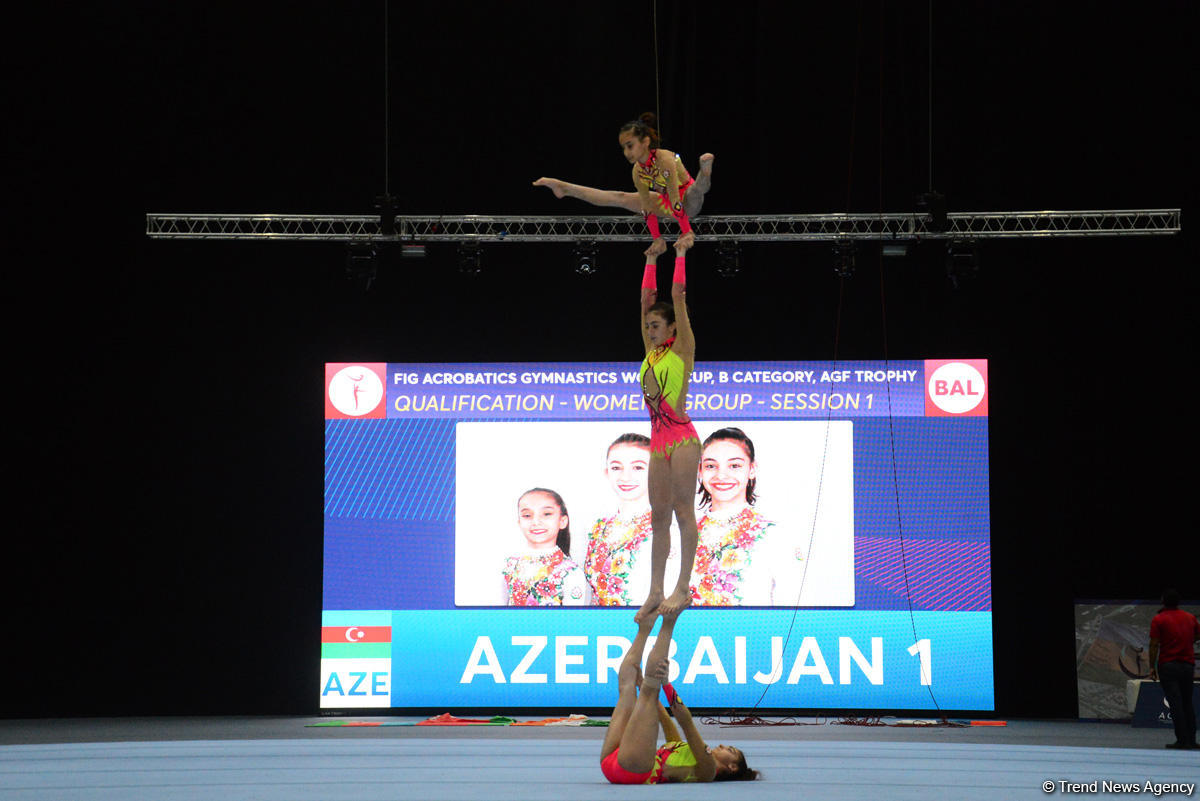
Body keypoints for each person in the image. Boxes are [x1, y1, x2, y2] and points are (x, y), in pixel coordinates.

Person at [599, 606, 758, 783]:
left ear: (732, 767)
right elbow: (667, 722)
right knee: (628, 687)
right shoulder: (683, 750)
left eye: (730, 750)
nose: (722, 745)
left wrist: (665, 684)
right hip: (610, 764)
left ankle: (669, 621)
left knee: (650, 688)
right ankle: (644, 629)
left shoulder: (707, 770)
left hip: (634, 771)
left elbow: (686, 723)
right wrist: (643, 684)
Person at [533, 112, 714, 256]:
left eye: (630, 145)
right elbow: (646, 207)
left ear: (645, 142)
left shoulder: (665, 159)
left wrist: (687, 232)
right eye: (623, 148)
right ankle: (566, 188)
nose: (626, 152)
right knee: (620, 197)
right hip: (665, 202)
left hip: (686, 201)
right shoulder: (637, 171)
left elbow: (675, 198)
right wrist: (657, 238)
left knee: (696, 191)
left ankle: (704, 172)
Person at [635, 239, 700, 622]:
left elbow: (677, 295)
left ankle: (683, 586)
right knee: (658, 516)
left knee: (682, 510)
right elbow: (645, 301)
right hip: (658, 441)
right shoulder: (652, 351)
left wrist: (679, 254)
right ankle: (656, 590)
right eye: (648, 327)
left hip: (682, 439)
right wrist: (649, 259)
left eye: (656, 326)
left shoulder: (682, 348)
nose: (650, 330)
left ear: (672, 327)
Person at [692, 427, 804, 606]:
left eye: (734, 466)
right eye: (711, 466)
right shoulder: (679, 536)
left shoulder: (776, 536)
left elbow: (794, 611)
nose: (721, 475)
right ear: (700, 471)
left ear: (752, 469)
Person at [584, 433, 679, 606]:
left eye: (638, 467)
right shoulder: (600, 528)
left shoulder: (669, 530)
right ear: (607, 472)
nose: (625, 477)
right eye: (616, 468)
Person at [502, 488, 589, 606]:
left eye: (546, 514)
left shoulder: (570, 573)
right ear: (519, 522)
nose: (536, 522)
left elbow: (572, 617)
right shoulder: (510, 566)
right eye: (527, 515)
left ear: (562, 521)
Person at [1148, 588, 1199, 749]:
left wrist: (1152, 667)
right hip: (1187, 665)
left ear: (1162, 601)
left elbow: (1154, 644)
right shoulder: (1190, 617)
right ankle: (1192, 740)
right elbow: (1198, 635)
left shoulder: (1159, 619)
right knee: (1187, 703)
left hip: (1168, 665)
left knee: (1176, 704)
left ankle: (1182, 740)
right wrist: (1186, 641)